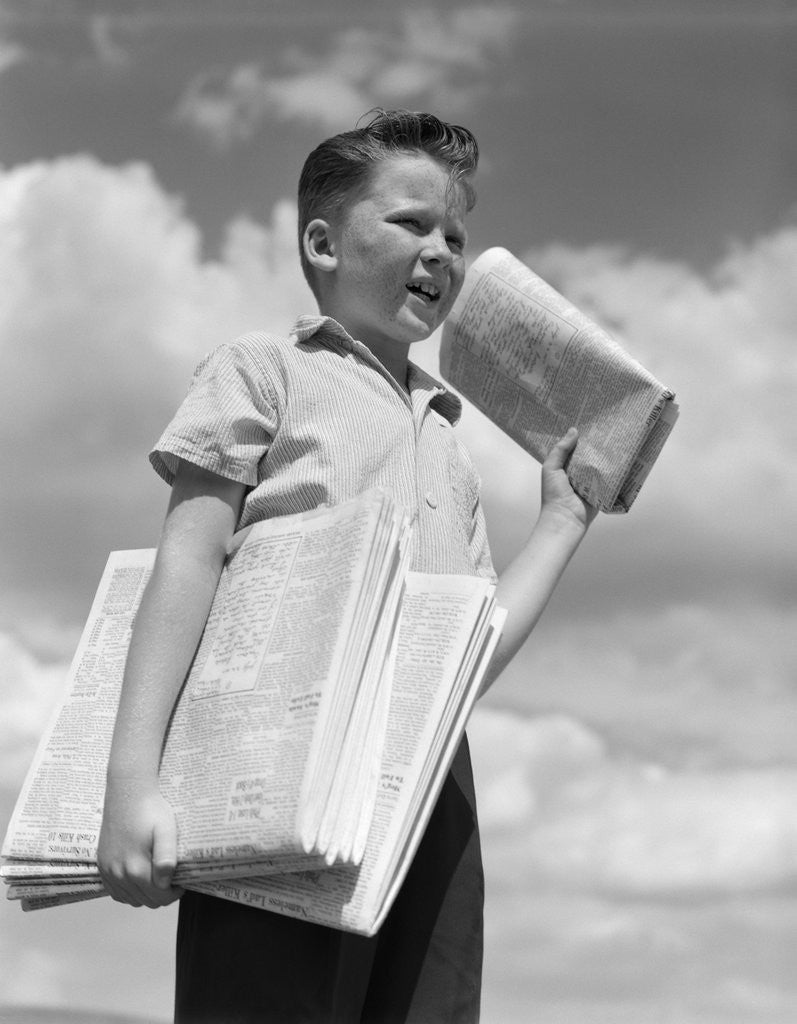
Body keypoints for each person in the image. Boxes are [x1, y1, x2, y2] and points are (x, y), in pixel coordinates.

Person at [98, 109, 597, 1023]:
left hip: (432, 785)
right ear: (323, 244)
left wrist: (561, 522)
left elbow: (468, 656)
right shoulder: (264, 370)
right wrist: (131, 782)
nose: (441, 251)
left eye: (455, 235)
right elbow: (189, 560)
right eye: (410, 222)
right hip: (275, 760)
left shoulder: (446, 436)